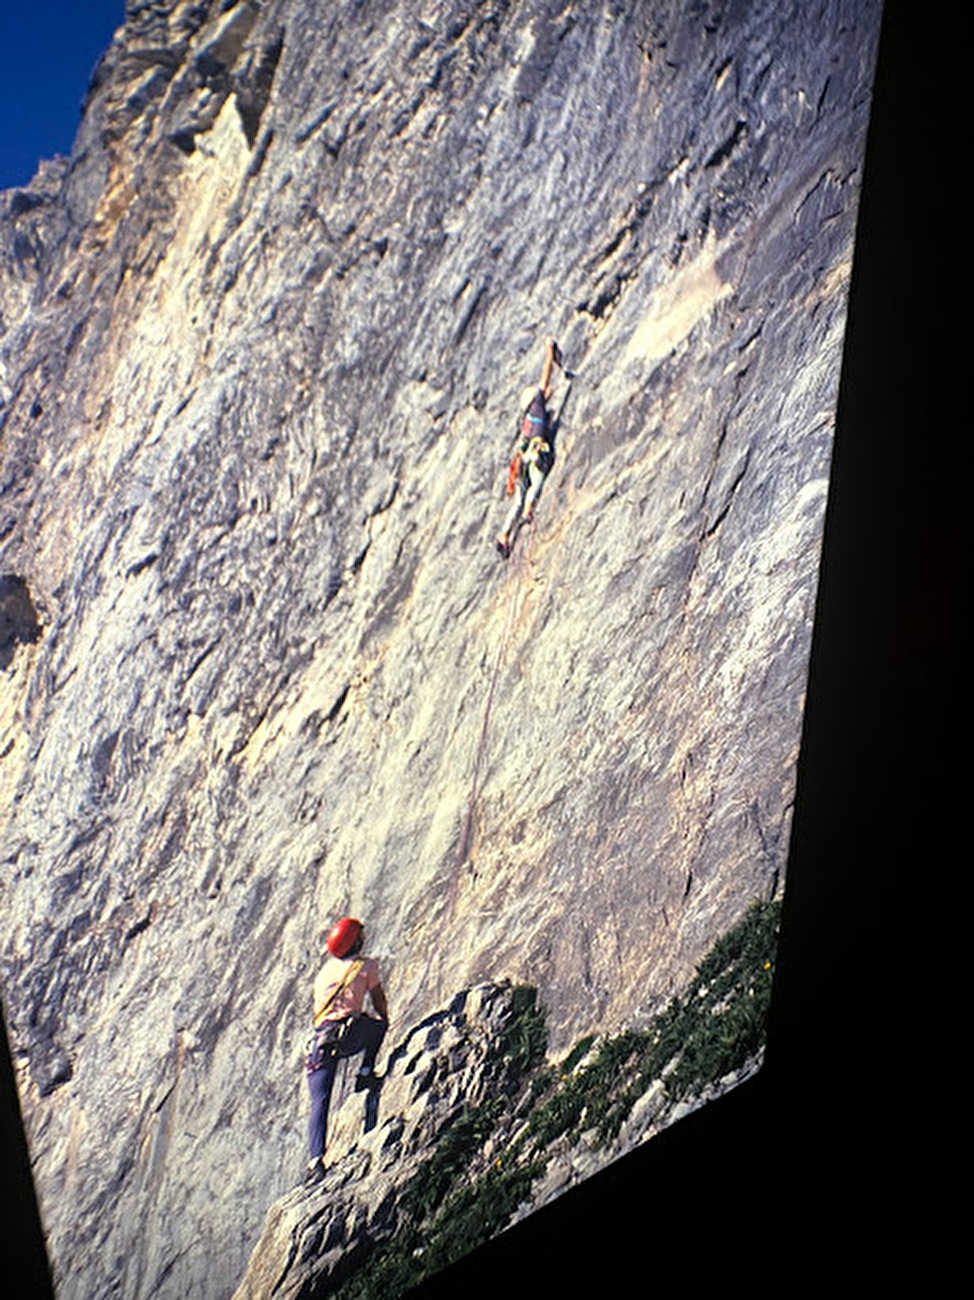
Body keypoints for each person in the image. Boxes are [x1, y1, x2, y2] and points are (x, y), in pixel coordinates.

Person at [304, 915, 389, 1184]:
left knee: (320, 1101)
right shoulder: (366, 967)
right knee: (377, 1025)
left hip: (320, 1042)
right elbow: (378, 1000)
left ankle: (315, 1160)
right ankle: (365, 1071)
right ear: (355, 942)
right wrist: (385, 1018)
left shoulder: (324, 973)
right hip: (348, 1034)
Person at [495, 337, 562, 559]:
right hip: (534, 456)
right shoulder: (538, 405)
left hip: (522, 460)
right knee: (538, 482)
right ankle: (528, 510)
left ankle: (504, 535)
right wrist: (549, 352)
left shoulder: (529, 419)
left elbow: (549, 389)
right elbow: (546, 375)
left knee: (517, 499)